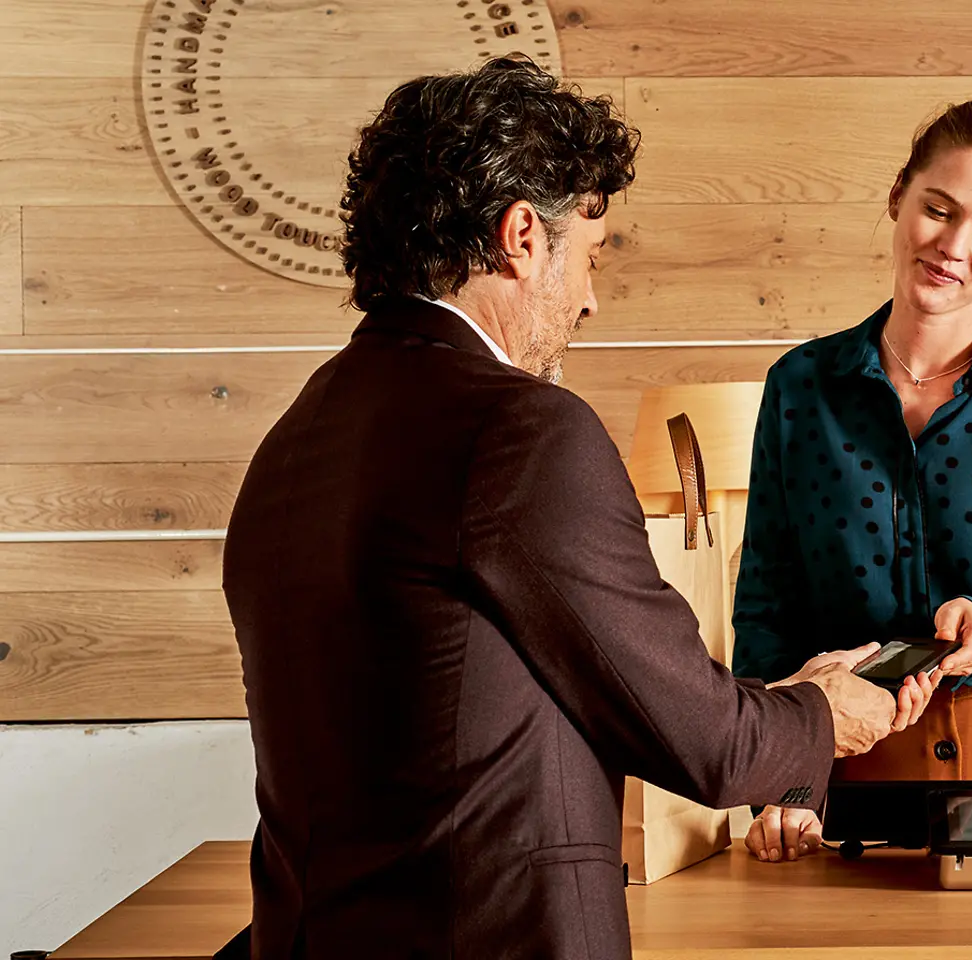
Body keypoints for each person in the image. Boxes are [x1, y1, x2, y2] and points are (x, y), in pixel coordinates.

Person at [222, 59, 899, 959]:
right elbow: (704, 744)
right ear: (520, 238)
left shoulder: (295, 436)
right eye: (588, 257)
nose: (588, 297)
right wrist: (823, 715)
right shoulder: (522, 432)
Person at [732, 100, 972, 863]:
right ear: (897, 198)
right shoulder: (801, 386)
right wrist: (786, 777)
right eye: (937, 210)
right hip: (847, 771)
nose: (953, 246)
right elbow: (768, 612)